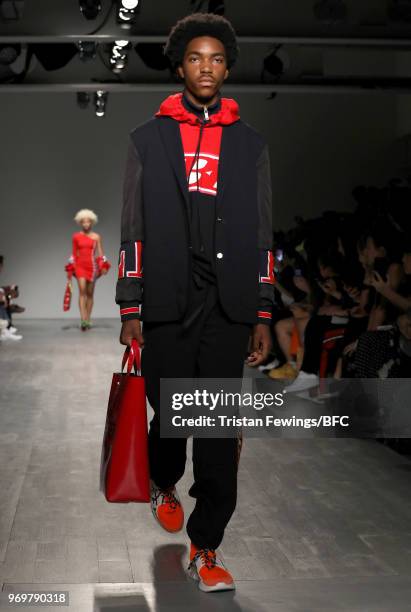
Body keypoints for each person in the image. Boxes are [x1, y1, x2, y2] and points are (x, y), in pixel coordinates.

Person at [115, 13, 275, 593]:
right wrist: (131, 306)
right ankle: (162, 481)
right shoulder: (148, 138)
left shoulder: (249, 144)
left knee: (217, 427)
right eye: (194, 59)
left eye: (215, 59)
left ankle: (205, 548)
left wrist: (262, 308)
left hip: (226, 303)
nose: (205, 68)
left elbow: (261, 231)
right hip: (165, 299)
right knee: (170, 414)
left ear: (226, 68)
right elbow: (132, 226)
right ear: (180, 66)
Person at [65, 209, 111, 331]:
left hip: (92, 267)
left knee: (90, 294)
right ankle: (83, 319)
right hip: (80, 266)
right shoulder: (76, 237)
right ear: (80, 223)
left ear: (92, 223)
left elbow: (101, 253)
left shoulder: (96, 237)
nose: (86, 224)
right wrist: (70, 268)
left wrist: (104, 265)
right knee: (82, 292)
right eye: (83, 222)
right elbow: (74, 254)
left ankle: (88, 319)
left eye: (88, 222)